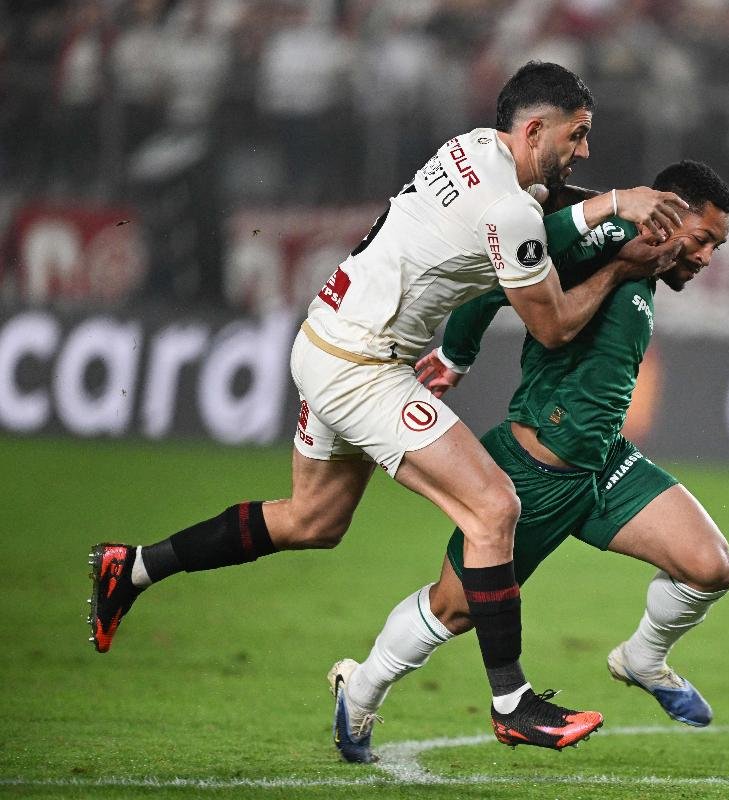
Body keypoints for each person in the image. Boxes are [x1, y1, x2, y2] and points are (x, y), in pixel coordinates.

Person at [87, 61, 690, 751]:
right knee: (494, 508)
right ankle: (512, 702)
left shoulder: (471, 147)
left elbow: (539, 207)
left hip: (324, 336)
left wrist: (615, 200)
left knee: (312, 520)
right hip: (362, 364)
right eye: (577, 135)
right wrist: (618, 262)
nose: (584, 150)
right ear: (533, 130)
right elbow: (551, 324)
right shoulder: (510, 209)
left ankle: (130, 567)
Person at [325, 160, 729, 764]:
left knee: (710, 567)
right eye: (702, 240)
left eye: (716, 247)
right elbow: (498, 280)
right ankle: (359, 693)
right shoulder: (611, 242)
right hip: (535, 470)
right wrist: (457, 356)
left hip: (601, 465)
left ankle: (643, 659)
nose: (705, 258)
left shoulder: (645, 259)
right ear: (668, 213)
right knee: (453, 609)